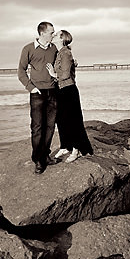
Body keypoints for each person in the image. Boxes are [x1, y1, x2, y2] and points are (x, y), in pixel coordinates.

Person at [17, 22, 58, 174]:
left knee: (50, 126)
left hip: (53, 91)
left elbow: (60, 66)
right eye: (51, 32)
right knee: (37, 128)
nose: (53, 35)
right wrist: (31, 87)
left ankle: (45, 155)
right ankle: (38, 160)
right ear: (42, 33)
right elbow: (21, 71)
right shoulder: (28, 48)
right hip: (37, 92)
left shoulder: (54, 48)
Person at [47, 30, 93, 163]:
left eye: (56, 34)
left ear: (62, 38)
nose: (53, 35)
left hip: (68, 90)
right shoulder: (60, 52)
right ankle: (65, 146)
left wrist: (53, 74)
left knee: (73, 121)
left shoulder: (66, 53)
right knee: (61, 120)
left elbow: (65, 74)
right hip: (61, 90)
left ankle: (76, 150)